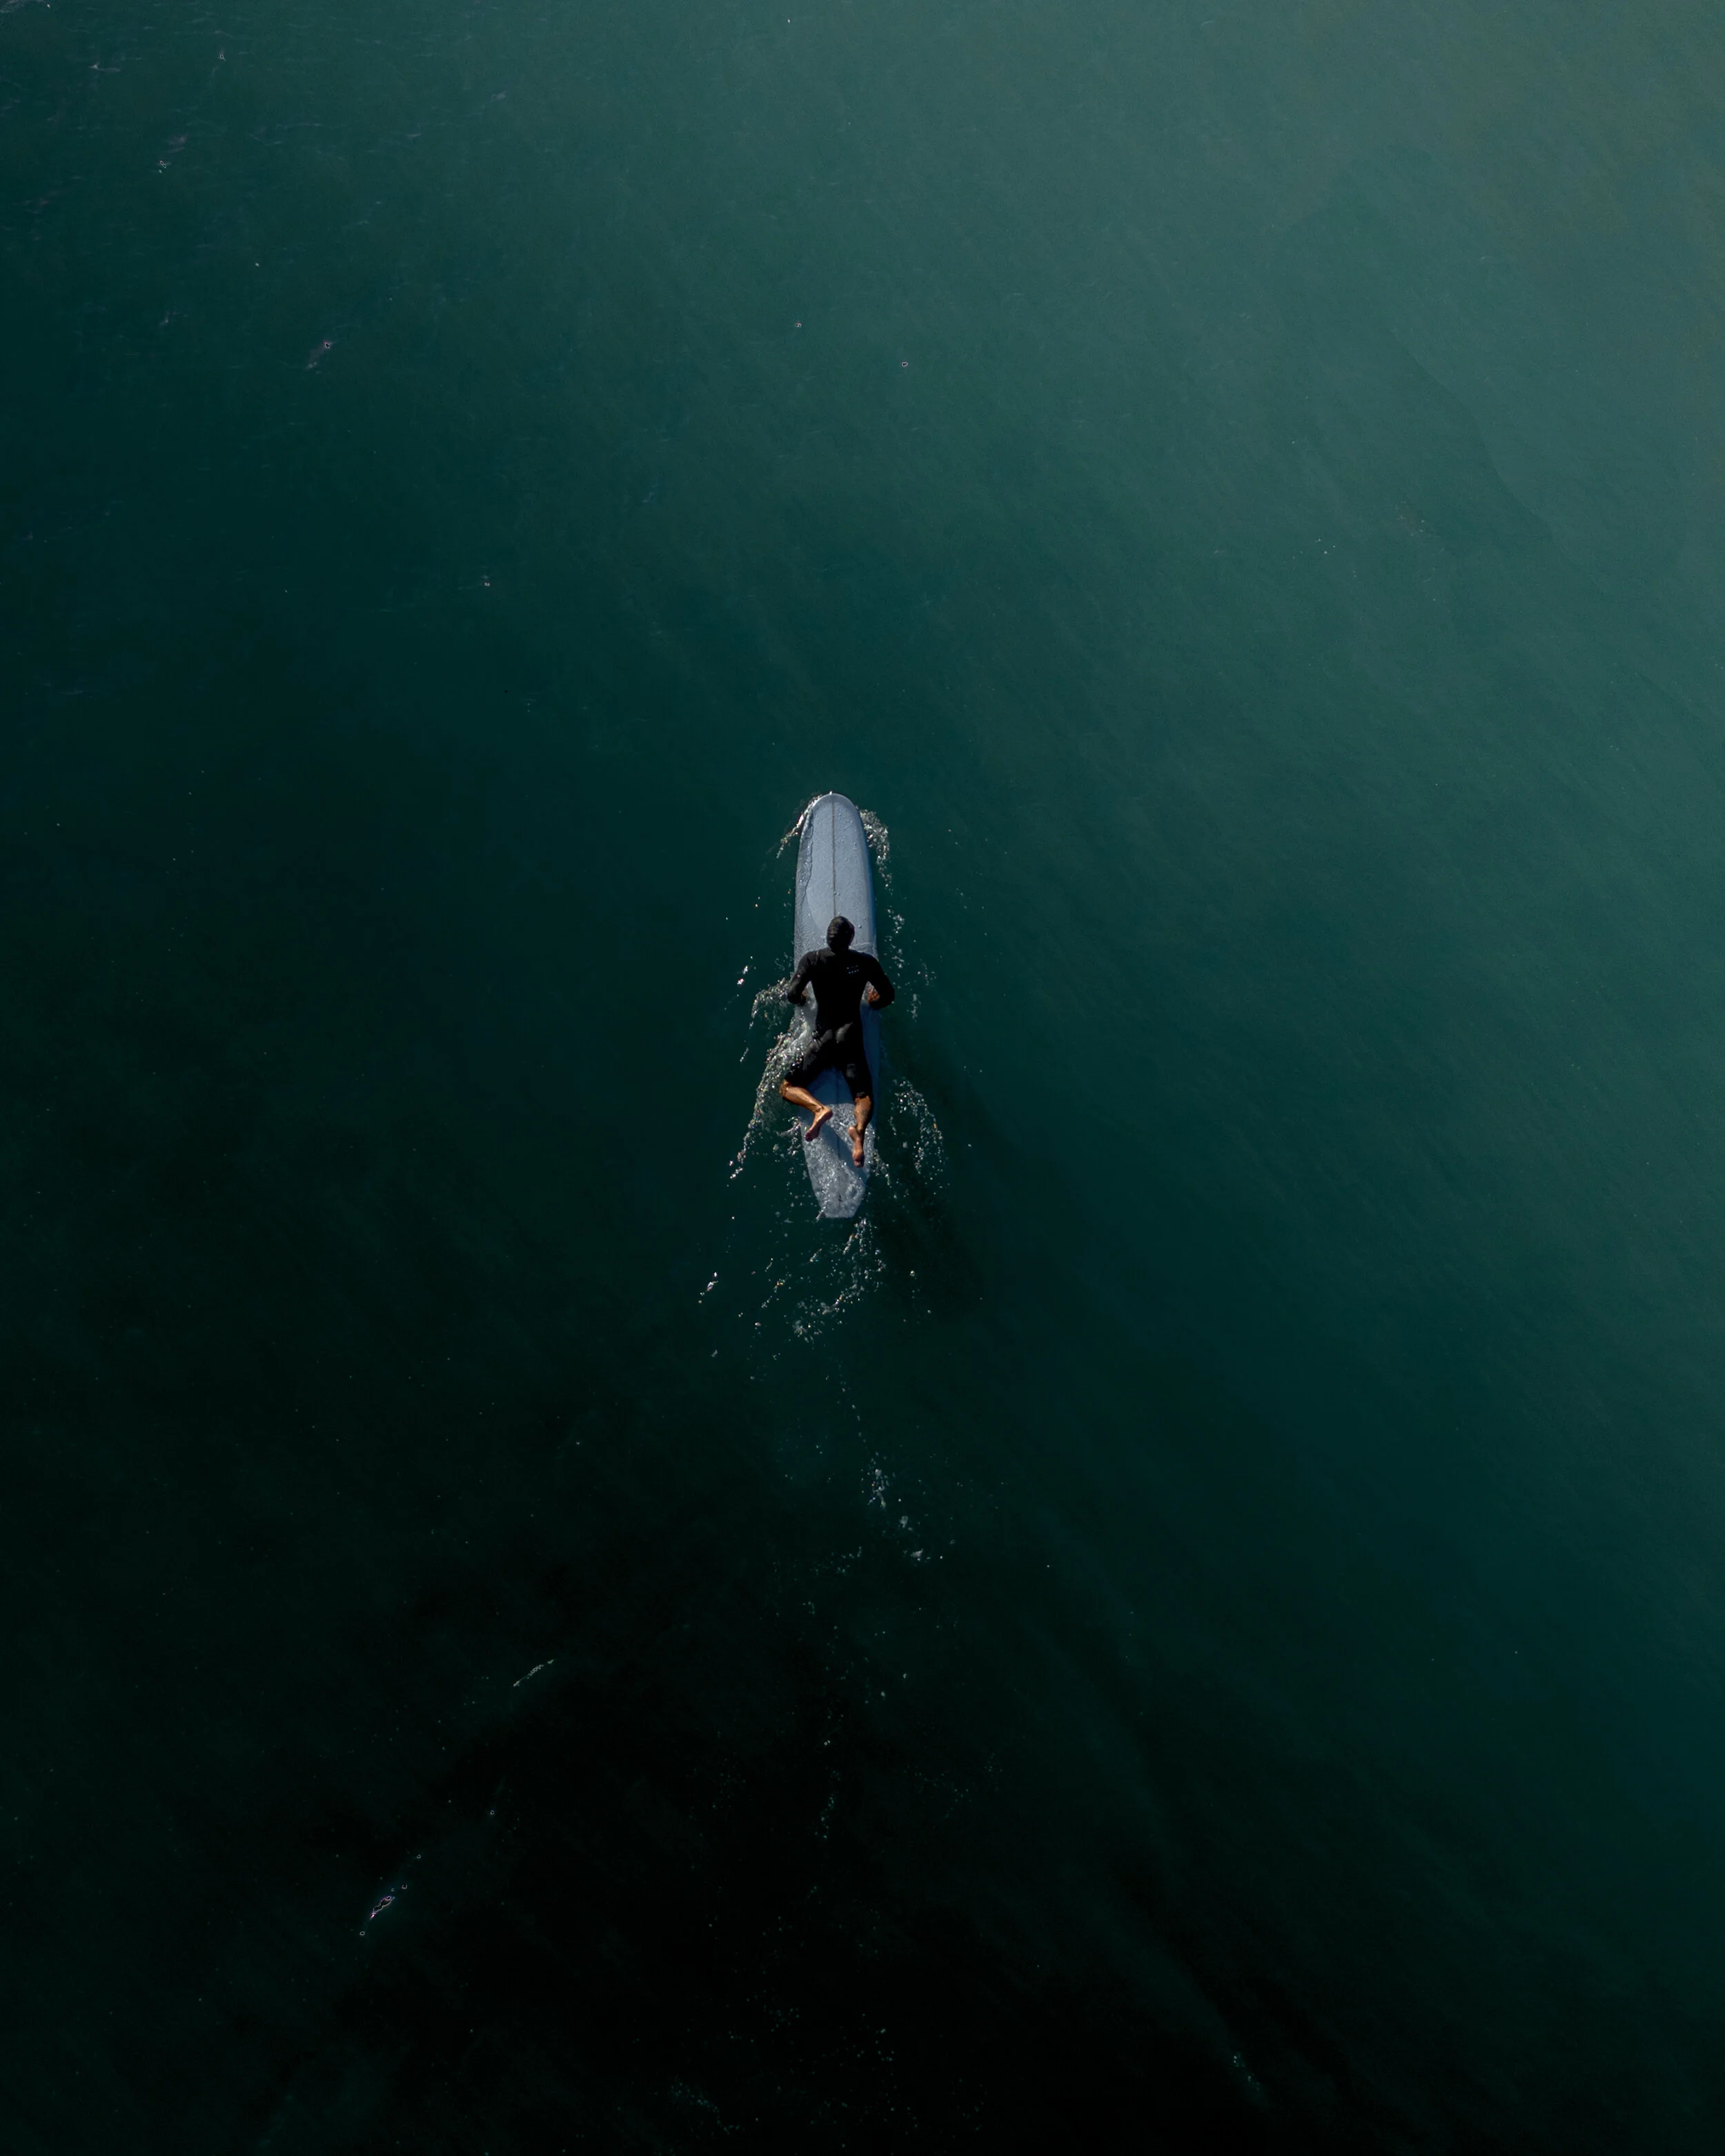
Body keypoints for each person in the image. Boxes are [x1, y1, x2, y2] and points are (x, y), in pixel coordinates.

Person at [780, 916, 895, 1167]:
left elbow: (792, 994)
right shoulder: (865, 963)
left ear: (828, 940)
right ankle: (859, 1132)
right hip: (851, 1036)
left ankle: (819, 1109)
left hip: (824, 1039)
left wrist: (803, 1001)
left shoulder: (813, 959)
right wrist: (872, 1002)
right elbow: (888, 995)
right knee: (863, 1095)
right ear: (851, 939)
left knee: (787, 1087)